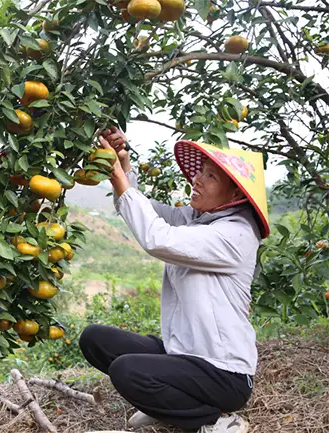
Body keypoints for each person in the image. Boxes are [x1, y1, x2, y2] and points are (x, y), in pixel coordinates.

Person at [79, 127, 270, 433]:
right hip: (184, 353)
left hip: (223, 373)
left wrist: (117, 176)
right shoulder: (199, 218)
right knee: (95, 340)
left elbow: (157, 237)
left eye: (210, 177)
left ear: (235, 194)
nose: (196, 179)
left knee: (127, 371)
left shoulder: (236, 234)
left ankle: (213, 421)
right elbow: (147, 211)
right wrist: (123, 167)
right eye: (200, 173)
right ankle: (171, 405)